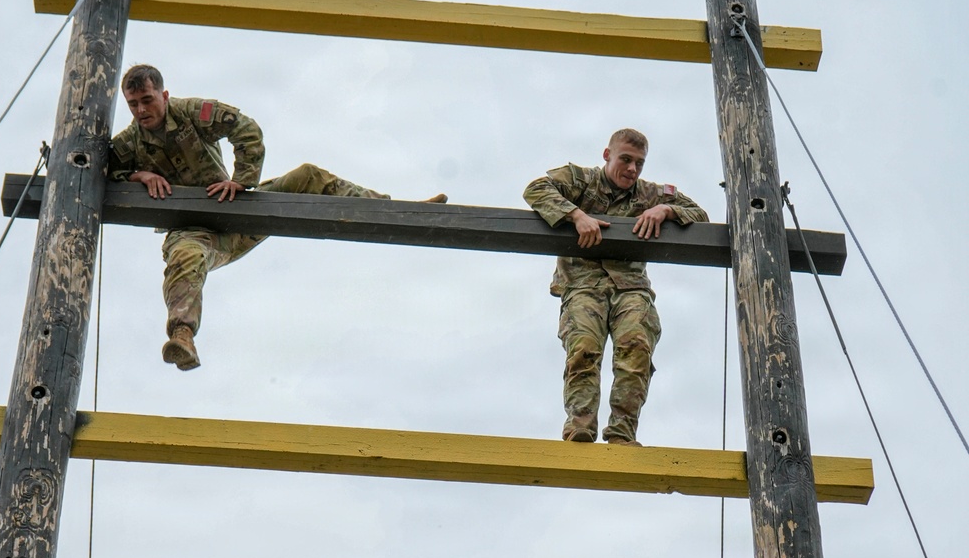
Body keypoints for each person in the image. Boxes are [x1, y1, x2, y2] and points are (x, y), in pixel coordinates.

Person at [109, 64, 446, 372]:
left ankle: (402, 210)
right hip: (195, 233)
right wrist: (138, 176)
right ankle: (182, 337)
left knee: (308, 175)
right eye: (133, 104)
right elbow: (97, 171)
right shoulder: (130, 143)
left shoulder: (192, 113)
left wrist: (242, 179)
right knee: (185, 255)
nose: (141, 110)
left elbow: (246, 129)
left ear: (164, 96)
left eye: (147, 100)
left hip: (239, 212)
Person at [524, 128, 707, 444]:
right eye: (626, 159)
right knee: (583, 349)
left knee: (636, 347)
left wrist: (666, 210)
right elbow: (536, 189)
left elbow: (700, 215)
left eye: (639, 163)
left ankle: (622, 431)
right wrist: (576, 215)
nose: (632, 170)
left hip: (630, 288)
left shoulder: (649, 194)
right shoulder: (580, 180)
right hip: (582, 284)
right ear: (607, 155)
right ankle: (579, 426)